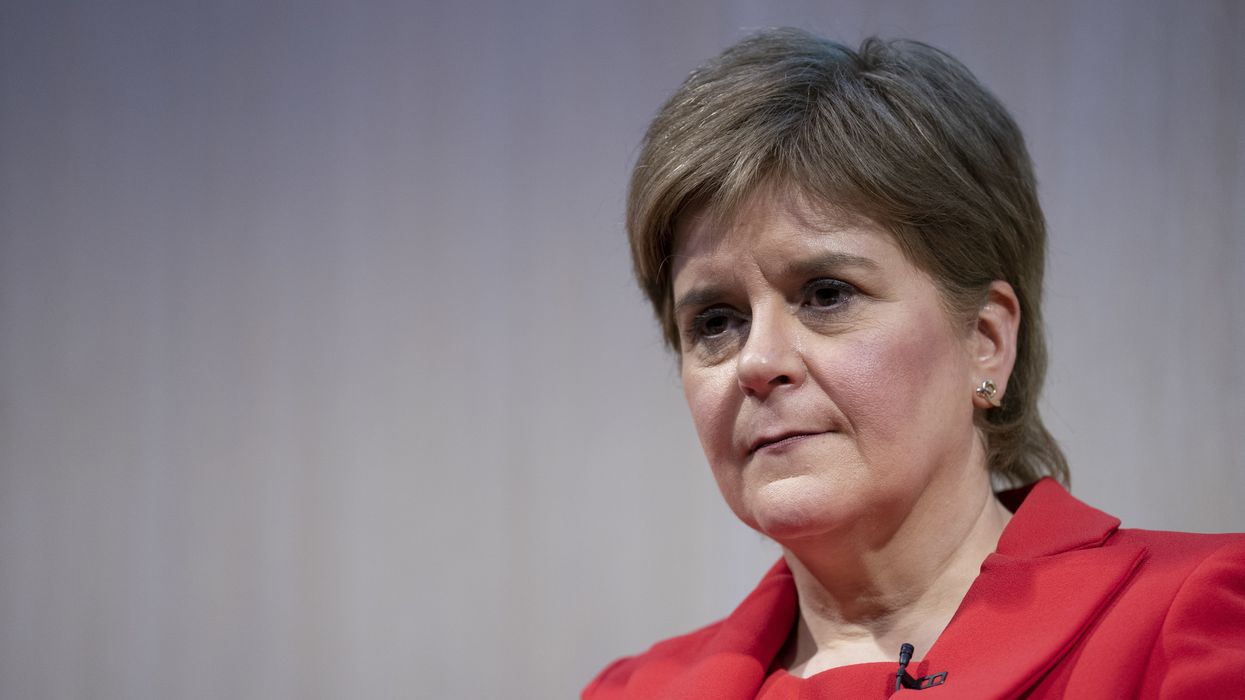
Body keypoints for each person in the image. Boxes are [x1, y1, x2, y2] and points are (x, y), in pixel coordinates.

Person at [584, 28, 1245, 699]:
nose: (757, 361)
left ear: (984, 339)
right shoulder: (631, 690)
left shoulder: (1183, 625)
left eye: (825, 294)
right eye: (715, 322)